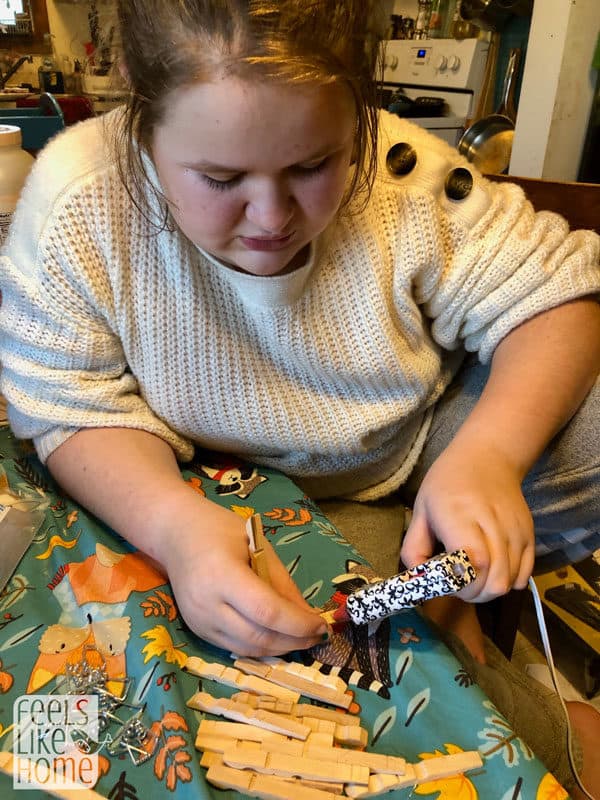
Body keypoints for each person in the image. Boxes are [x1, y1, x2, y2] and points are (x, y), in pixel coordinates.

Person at [0, 1, 599, 795]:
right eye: (219, 179)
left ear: (359, 120)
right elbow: (69, 403)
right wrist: (176, 529)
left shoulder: (403, 176)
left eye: (314, 166)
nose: (273, 217)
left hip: (413, 438)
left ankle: (476, 614)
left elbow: (556, 294)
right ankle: (490, 661)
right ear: (141, 132)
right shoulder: (79, 199)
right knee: (314, 661)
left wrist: (489, 455)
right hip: (233, 486)